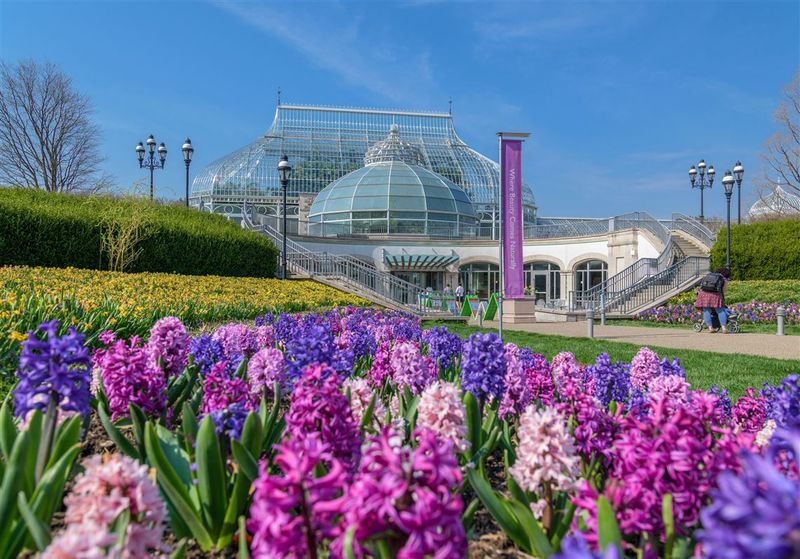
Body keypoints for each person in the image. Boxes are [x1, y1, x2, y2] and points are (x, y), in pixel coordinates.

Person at [694, 267, 731, 333]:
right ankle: (724, 328)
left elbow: (702, 285)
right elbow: (723, 290)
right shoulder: (723, 279)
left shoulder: (709, 275)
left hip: (703, 294)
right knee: (720, 310)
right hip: (715, 295)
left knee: (706, 310)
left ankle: (710, 328)